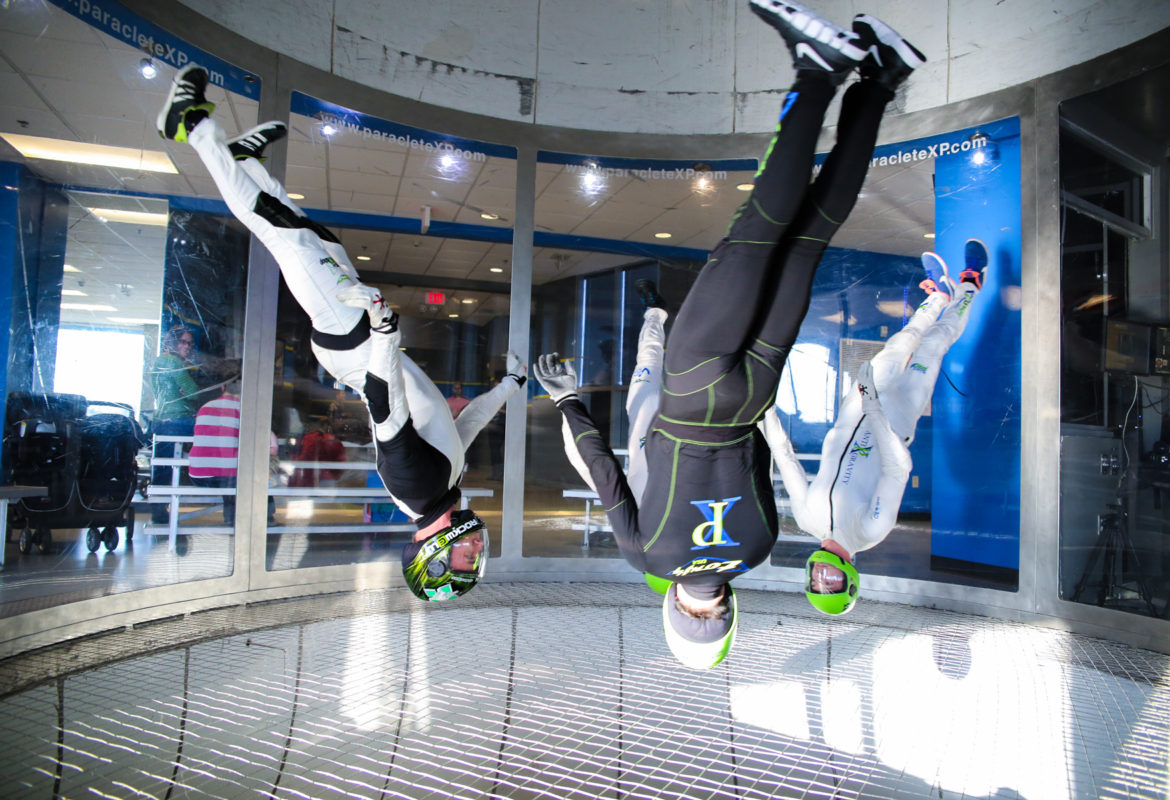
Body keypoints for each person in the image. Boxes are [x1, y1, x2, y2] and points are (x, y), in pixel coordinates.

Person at [534, 1, 926, 669]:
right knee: (754, 235)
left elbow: (763, 472)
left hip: (751, 398)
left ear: (727, 612)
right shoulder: (646, 556)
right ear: (675, 611)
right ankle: (817, 71)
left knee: (806, 240)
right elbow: (601, 466)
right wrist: (568, 399)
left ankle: (880, 81)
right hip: (692, 394)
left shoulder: (759, 549)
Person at [156, 66, 526, 601]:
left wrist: (383, 331)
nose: (476, 550)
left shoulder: (416, 488)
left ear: (435, 549)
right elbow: (464, 420)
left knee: (277, 230)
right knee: (317, 237)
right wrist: (510, 386)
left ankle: (190, 125)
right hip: (360, 336)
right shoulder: (442, 487)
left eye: (464, 558)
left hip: (354, 341)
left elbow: (382, 398)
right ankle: (246, 163)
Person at [763, 242, 986, 616]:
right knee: (933, 346)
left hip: (856, 408)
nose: (822, 575)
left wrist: (762, 409)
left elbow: (783, 456)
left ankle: (936, 297)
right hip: (896, 416)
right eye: (831, 584)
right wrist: (877, 412)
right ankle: (969, 285)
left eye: (816, 582)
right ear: (849, 579)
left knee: (899, 344)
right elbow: (898, 469)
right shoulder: (871, 530)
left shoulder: (806, 518)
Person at [187, 378, 277, 524]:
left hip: (198, 475)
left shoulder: (205, 407)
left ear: (223, 387)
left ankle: (232, 518)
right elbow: (267, 441)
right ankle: (267, 516)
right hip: (227, 476)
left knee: (232, 473)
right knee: (255, 476)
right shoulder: (245, 409)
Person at [149, 324, 202, 523]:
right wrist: (190, 390)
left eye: (190, 343)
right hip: (179, 421)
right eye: (183, 342)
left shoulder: (158, 362)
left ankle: (159, 511)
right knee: (218, 436)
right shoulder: (174, 362)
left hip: (161, 421)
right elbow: (193, 391)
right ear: (173, 342)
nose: (187, 347)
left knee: (162, 469)